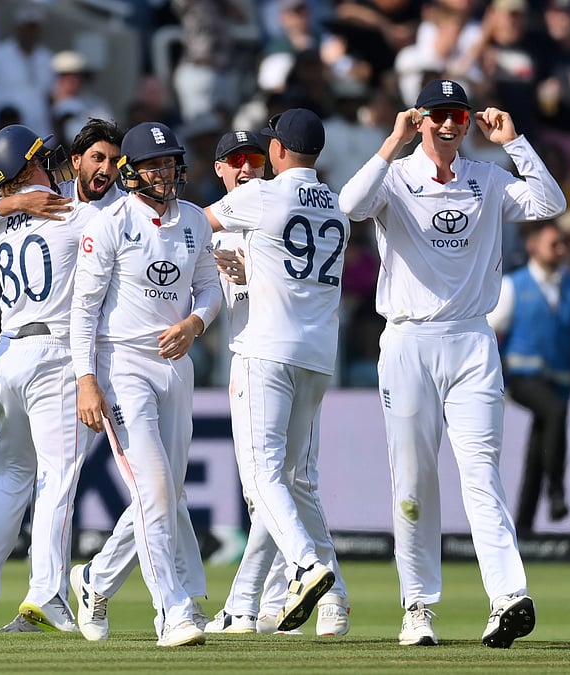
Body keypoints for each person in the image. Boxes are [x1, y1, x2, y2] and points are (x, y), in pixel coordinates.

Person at [338, 79, 566, 648]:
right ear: (421, 120)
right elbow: (350, 206)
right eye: (437, 116)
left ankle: (508, 597)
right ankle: (418, 607)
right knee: (413, 482)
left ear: (468, 124)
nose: (447, 126)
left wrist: (513, 143)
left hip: (471, 341)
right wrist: (391, 143)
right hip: (409, 341)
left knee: (481, 474)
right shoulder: (394, 176)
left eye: (457, 118)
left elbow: (550, 203)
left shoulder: (487, 179)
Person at [69, 121, 221, 648]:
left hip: (176, 364)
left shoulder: (197, 221)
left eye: (170, 162)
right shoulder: (109, 223)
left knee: (166, 492)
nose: (165, 172)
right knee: (154, 486)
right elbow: (83, 310)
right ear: (131, 172)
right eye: (154, 165)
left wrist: (195, 323)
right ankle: (172, 611)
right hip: (121, 365)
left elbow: (209, 286)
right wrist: (86, 381)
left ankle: (96, 580)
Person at [204, 110, 350, 635]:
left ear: (280, 152)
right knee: (289, 483)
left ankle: (308, 569)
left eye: (264, 150)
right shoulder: (336, 203)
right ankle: (262, 605)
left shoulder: (262, 196)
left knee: (263, 478)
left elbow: (191, 224)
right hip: (317, 354)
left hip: (265, 350)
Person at [0, 124, 100, 634]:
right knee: (57, 476)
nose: (52, 164)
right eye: (42, 159)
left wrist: (13, 202)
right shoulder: (72, 212)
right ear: (26, 168)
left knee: (11, 478)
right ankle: (47, 594)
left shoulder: (1, 221)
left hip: (8, 353)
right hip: (53, 353)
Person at [487, 220, 570, 532]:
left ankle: (524, 526)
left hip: (560, 380)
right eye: (554, 243)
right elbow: (489, 331)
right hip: (522, 378)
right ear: (533, 246)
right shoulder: (515, 285)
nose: (561, 250)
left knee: (540, 445)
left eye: (563, 244)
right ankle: (556, 491)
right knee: (554, 411)